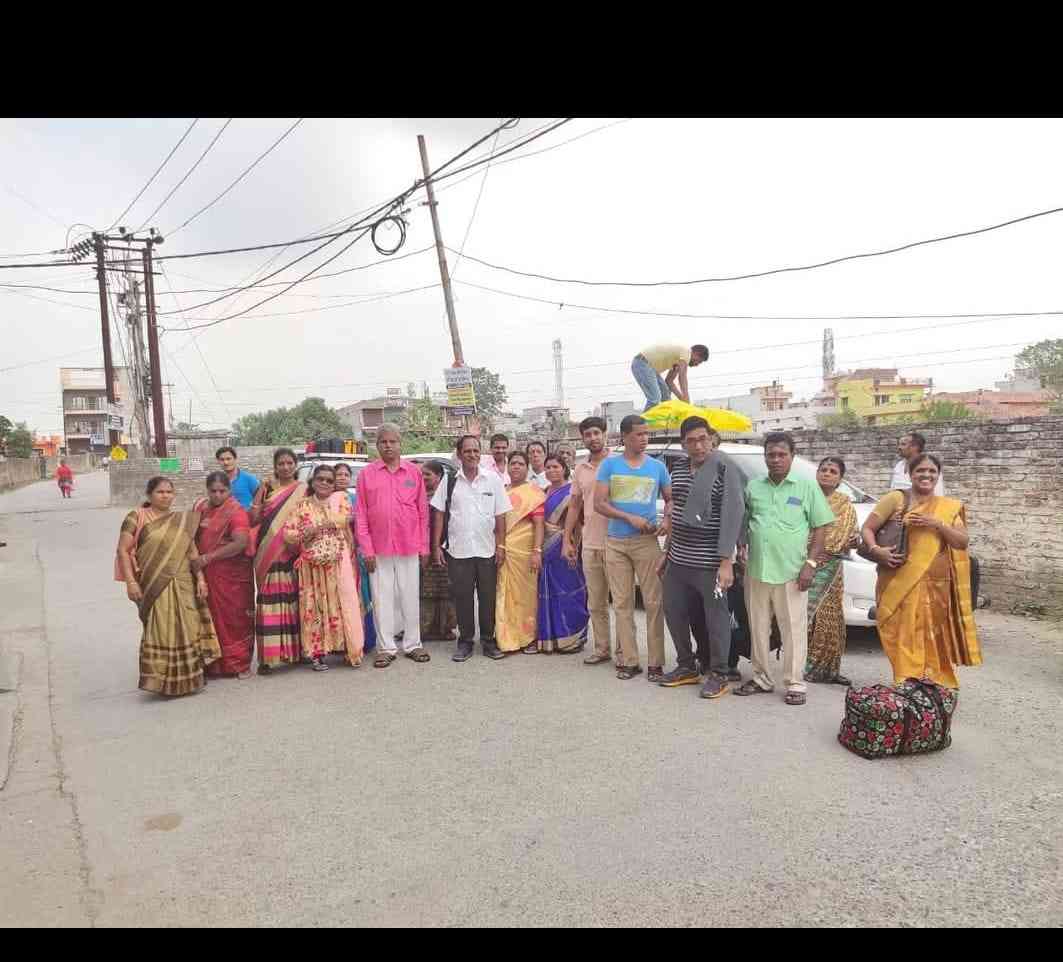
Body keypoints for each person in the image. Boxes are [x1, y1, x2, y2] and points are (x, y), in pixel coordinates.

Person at [861, 453, 981, 689]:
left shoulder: (946, 508)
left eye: (932, 471)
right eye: (920, 471)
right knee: (899, 631)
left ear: (938, 475)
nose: (926, 475)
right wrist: (877, 550)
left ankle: (931, 681)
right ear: (910, 473)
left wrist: (936, 524)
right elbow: (867, 528)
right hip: (897, 577)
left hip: (935, 583)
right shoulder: (895, 499)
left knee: (930, 634)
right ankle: (906, 680)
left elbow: (961, 542)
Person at [734, 432, 835, 706]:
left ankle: (795, 683)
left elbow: (821, 527)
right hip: (756, 570)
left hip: (792, 572)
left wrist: (810, 564)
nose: (776, 459)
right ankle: (761, 678)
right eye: (771, 455)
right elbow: (744, 521)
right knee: (758, 627)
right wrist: (741, 545)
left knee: (793, 629)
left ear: (792, 456)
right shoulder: (754, 486)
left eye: (782, 454)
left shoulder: (806, 487)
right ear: (765, 457)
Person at [657, 418, 745, 699]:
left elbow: (733, 513)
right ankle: (686, 666)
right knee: (674, 612)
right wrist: (666, 552)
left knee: (716, 619)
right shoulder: (679, 467)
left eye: (703, 438)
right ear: (683, 443)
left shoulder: (724, 467)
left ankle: (719, 673)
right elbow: (678, 511)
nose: (698, 445)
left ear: (711, 438)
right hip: (679, 557)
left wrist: (726, 561)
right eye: (692, 440)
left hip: (710, 560)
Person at [115, 476, 221, 696]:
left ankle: (191, 678)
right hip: (154, 582)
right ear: (149, 495)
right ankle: (160, 680)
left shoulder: (181, 520)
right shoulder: (136, 516)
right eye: (160, 492)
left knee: (189, 626)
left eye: (169, 492)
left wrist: (200, 578)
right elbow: (123, 550)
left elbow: (191, 552)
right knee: (160, 629)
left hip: (183, 581)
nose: (165, 496)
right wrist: (131, 582)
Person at [595, 414, 672, 681]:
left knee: (654, 602)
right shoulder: (609, 466)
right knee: (623, 603)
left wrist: (667, 519)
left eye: (646, 434)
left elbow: (670, 499)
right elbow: (599, 504)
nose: (644, 438)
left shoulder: (658, 467)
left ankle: (655, 663)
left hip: (647, 542)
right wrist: (629, 518)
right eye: (639, 434)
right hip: (616, 542)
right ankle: (628, 660)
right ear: (625, 436)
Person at [355, 424, 431, 668]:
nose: (388, 446)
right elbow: (361, 515)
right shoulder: (367, 474)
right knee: (382, 598)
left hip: (409, 545)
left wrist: (424, 547)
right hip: (378, 549)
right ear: (376, 446)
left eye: (392, 441)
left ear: (400, 444)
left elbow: (422, 512)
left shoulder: (413, 473)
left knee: (410, 596)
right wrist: (366, 549)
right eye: (383, 442)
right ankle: (386, 647)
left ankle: (413, 644)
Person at [431, 434, 512, 662]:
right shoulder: (449, 481)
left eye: (476, 451)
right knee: (463, 598)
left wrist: (501, 545)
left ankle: (488, 640)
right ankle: (465, 642)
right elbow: (438, 514)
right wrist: (436, 545)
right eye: (467, 451)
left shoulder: (493, 480)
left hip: (487, 550)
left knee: (488, 598)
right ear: (459, 454)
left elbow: (500, 516)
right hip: (458, 551)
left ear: (480, 453)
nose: (472, 455)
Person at [283, 463, 364, 671]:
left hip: (338, 561)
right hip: (311, 566)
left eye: (330, 480)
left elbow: (346, 518)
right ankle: (317, 654)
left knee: (342, 603)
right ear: (313, 481)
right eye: (321, 479)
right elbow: (288, 534)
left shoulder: (341, 500)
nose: (325, 483)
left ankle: (346, 648)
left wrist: (319, 525)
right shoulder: (302, 505)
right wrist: (305, 534)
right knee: (314, 606)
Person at [192, 472, 255, 679]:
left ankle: (238, 663)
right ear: (207, 490)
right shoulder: (201, 508)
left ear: (229, 490)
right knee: (210, 618)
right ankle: (214, 664)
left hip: (232, 577)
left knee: (234, 618)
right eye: (213, 491)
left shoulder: (236, 512)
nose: (218, 495)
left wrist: (209, 557)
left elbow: (240, 543)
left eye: (223, 491)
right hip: (207, 575)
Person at [803, 457, 859, 686]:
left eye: (832, 471)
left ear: (840, 479)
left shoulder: (845, 503)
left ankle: (828, 669)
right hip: (805, 563)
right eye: (823, 469)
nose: (826, 473)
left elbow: (850, 535)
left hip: (832, 567)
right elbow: (796, 528)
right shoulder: (806, 497)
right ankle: (805, 666)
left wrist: (833, 547)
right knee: (806, 615)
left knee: (831, 617)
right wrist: (812, 553)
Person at [248, 448, 303, 674]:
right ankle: (268, 659)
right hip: (267, 554)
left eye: (290, 463)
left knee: (292, 603)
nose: (286, 467)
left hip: (291, 552)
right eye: (281, 463)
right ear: (275, 466)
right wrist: (260, 494)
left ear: (296, 465)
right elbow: (253, 518)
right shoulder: (267, 489)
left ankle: (295, 653)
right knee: (269, 605)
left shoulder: (303, 490)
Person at [564, 416, 614, 666]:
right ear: (582, 438)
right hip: (591, 542)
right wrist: (567, 540)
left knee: (623, 602)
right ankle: (602, 648)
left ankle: (627, 652)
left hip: (618, 541)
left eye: (597, 433)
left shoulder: (618, 462)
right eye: (588, 434)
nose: (593, 438)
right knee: (596, 601)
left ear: (605, 434)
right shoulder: (580, 469)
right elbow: (574, 506)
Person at [538, 454, 589, 653]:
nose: (551, 471)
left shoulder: (572, 492)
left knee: (569, 591)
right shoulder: (543, 492)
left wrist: (573, 546)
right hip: (546, 547)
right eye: (548, 467)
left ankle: (573, 637)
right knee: (548, 593)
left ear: (564, 468)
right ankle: (551, 638)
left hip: (564, 546)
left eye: (556, 467)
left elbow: (579, 521)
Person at [496, 451, 546, 653]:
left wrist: (537, 551)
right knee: (504, 593)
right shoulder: (502, 490)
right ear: (507, 467)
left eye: (520, 464)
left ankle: (528, 637)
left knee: (526, 596)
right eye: (513, 463)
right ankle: (506, 635)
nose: (516, 467)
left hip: (525, 552)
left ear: (527, 468)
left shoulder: (534, 493)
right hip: (504, 549)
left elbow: (539, 525)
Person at [333, 462, 377, 655]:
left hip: (356, 554)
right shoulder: (327, 500)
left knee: (362, 594)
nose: (342, 477)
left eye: (345, 474)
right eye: (338, 474)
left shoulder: (356, 498)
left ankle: (365, 639)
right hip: (335, 555)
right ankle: (341, 641)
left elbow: (365, 525)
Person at [419, 461, 458, 641]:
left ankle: (445, 628)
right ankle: (422, 627)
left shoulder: (447, 496)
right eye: (422, 474)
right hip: (422, 548)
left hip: (443, 548)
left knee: (445, 589)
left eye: (427, 474)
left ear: (439, 476)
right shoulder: (416, 496)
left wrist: (439, 546)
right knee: (423, 589)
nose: (423, 477)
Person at [631, 343, 710, 411]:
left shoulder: (678, 359)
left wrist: (682, 399)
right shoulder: (686, 353)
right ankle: (642, 423)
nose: (697, 364)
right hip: (643, 363)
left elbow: (669, 381)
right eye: (699, 361)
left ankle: (664, 422)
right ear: (696, 353)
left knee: (666, 398)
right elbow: (682, 378)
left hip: (651, 368)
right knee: (655, 398)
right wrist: (687, 402)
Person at [215, 445, 261, 510]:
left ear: (235, 459)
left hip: (246, 518)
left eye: (228, 459)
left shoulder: (249, 479)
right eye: (222, 460)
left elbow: (260, 499)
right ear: (218, 461)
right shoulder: (217, 481)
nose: (226, 462)